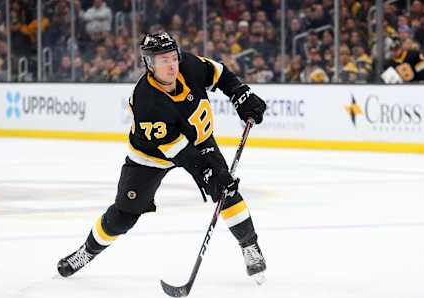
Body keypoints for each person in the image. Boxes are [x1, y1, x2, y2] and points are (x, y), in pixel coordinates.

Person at [57, 32, 267, 283]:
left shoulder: (188, 65)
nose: (171, 65)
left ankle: (250, 246)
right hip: (151, 156)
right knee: (124, 215)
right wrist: (207, 171)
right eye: (163, 60)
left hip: (199, 141)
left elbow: (220, 73)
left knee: (226, 190)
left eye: (173, 57)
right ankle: (87, 251)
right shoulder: (147, 101)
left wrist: (240, 94)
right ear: (149, 64)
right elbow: (179, 152)